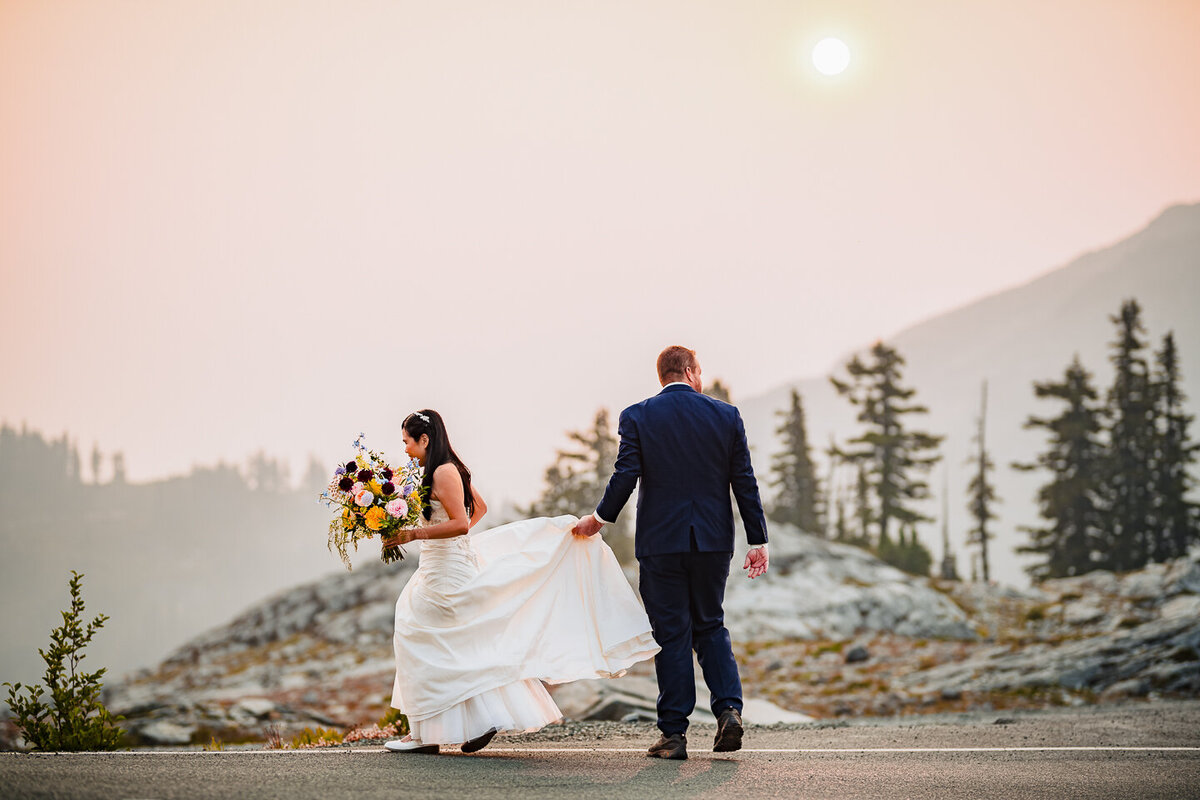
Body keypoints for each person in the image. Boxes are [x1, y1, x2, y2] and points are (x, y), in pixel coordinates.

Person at [381, 409, 660, 754]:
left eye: (407, 441)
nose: (405, 448)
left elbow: (461, 522)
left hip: (445, 569)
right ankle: (437, 730)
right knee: (456, 642)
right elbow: (478, 508)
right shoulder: (444, 468)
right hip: (441, 562)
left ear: (424, 439)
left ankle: (425, 735)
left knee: (418, 632)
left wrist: (415, 534)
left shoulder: (442, 471)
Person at [571, 346, 769, 761]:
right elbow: (743, 480)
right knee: (711, 626)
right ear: (692, 372)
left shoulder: (638, 415)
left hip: (661, 544)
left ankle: (673, 736)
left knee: (672, 635)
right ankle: (729, 710)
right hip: (713, 541)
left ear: (662, 375)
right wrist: (757, 540)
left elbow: (625, 473)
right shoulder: (726, 416)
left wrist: (599, 519)